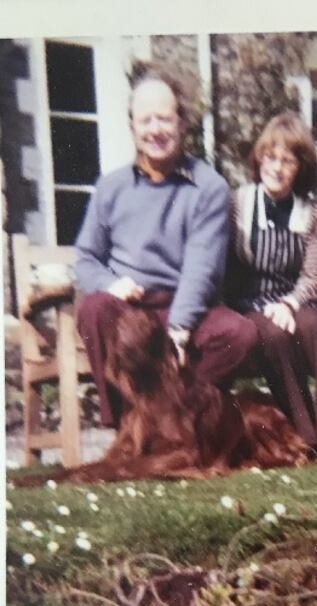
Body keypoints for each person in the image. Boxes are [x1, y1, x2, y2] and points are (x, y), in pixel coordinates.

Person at [75, 63, 258, 429]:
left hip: (184, 307)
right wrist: (112, 285)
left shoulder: (208, 187)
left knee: (241, 334)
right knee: (94, 309)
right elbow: (85, 259)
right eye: (146, 121)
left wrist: (179, 327)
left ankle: (174, 420)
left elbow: (202, 267)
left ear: (182, 124)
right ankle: (124, 427)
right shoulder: (111, 187)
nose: (156, 130)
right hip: (131, 311)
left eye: (165, 119)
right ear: (132, 128)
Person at [225, 112, 317, 465]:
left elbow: (315, 272)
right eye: (271, 157)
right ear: (259, 158)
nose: (277, 168)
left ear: (300, 168)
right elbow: (225, 267)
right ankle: (308, 439)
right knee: (274, 335)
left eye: (287, 161)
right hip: (251, 304)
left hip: (298, 298)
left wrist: (290, 303)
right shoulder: (237, 203)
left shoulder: (313, 212)